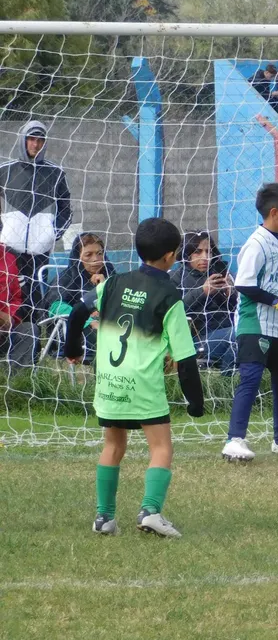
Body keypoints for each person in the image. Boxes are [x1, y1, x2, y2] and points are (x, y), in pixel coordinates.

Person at [63, 217, 205, 538]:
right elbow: (185, 358)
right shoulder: (170, 296)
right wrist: (195, 401)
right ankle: (151, 511)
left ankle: (104, 518)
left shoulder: (112, 283)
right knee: (161, 447)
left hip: (110, 381)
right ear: (171, 256)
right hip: (143, 385)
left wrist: (73, 347)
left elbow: (76, 313)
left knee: (113, 446)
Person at [221, 183, 278, 463]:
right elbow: (244, 285)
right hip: (255, 324)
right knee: (250, 379)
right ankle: (234, 440)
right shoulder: (256, 244)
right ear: (274, 213)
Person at [0, 120, 73, 322]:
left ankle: (36, 327)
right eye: (31, 139)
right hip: (9, 246)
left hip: (40, 245)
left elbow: (66, 207)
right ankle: (12, 327)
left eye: (40, 140)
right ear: (23, 141)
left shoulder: (55, 173)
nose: (35, 144)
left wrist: (52, 234)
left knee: (36, 288)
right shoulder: (5, 170)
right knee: (10, 286)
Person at [44, 232, 115, 362]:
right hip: (78, 330)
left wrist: (104, 286)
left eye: (100, 253)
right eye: (89, 254)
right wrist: (88, 321)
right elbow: (55, 306)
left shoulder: (110, 276)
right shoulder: (66, 278)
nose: (96, 259)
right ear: (78, 257)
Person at [171, 231, 236, 375]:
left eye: (209, 252)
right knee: (239, 335)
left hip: (226, 331)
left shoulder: (221, 273)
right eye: (198, 252)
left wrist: (231, 293)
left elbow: (237, 307)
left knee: (247, 333)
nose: (205, 257)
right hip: (197, 340)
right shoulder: (175, 278)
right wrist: (203, 291)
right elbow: (174, 311)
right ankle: (228, 381)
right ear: (187, 254)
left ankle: (224, 382)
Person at [0, 240, 33, 371]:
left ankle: (14, 384)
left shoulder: (11, 256)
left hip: (6, 327)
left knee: (29, 330)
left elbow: (19, 297)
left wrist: (10, 317)